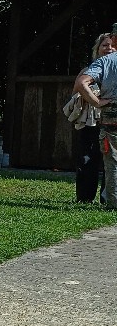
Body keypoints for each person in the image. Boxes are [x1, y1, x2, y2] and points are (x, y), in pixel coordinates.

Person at [70, 33, 114, 203]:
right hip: (91, 122)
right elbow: (77, 91)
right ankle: (84, 198)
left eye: (111, 45)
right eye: (104, 45)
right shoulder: (88, 71)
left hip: (111, 122)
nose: (108, 48)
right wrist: (96, 101)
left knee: (111, 161)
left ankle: (107, 198)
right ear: (97, 49)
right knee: (87, 159)